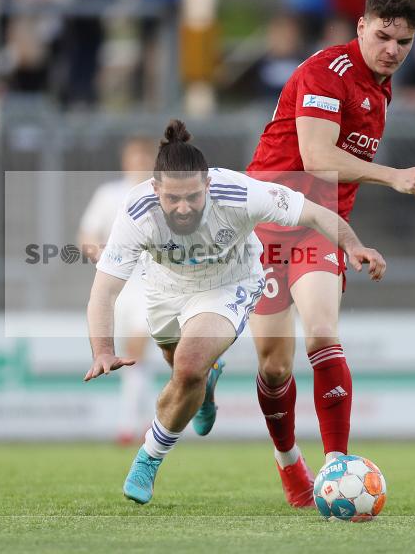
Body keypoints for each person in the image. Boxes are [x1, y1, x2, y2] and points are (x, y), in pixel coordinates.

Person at [83, 119, 386, 505]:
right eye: (172, 198)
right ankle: (205, 387)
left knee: (189, 366)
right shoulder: (136, 212)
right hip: (165, 292)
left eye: (193, 197)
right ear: (155, 189)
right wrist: (102, 350)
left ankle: (148, 458)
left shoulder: (238, 192)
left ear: (208, 185)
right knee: (182, 372)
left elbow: (313, 213)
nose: (183, 207)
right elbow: (102, 292)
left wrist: (352, 245)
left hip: (228, 285)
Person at [245, 0, 415, 508]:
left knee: (323, 330)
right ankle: (289, 463)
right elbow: (317, 159)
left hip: (318, 227)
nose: (393, 51)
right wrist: (393, 175)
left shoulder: (380, 83)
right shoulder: (327, 73)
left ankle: (335, 466)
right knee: (273, 365)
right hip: (265, 220)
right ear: (361, 26)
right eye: (383, 37)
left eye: (404, 43)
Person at [78, 136, 155, 444]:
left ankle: (129, 425)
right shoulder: (109, 194)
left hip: (153, 286)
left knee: (137, 349)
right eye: (132, 157)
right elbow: (86, 235)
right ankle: (147, 420)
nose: (137, 163)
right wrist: (109, 260)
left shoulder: (163, 192)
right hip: (119, 287)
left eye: (143, 157)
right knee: (131, 358)